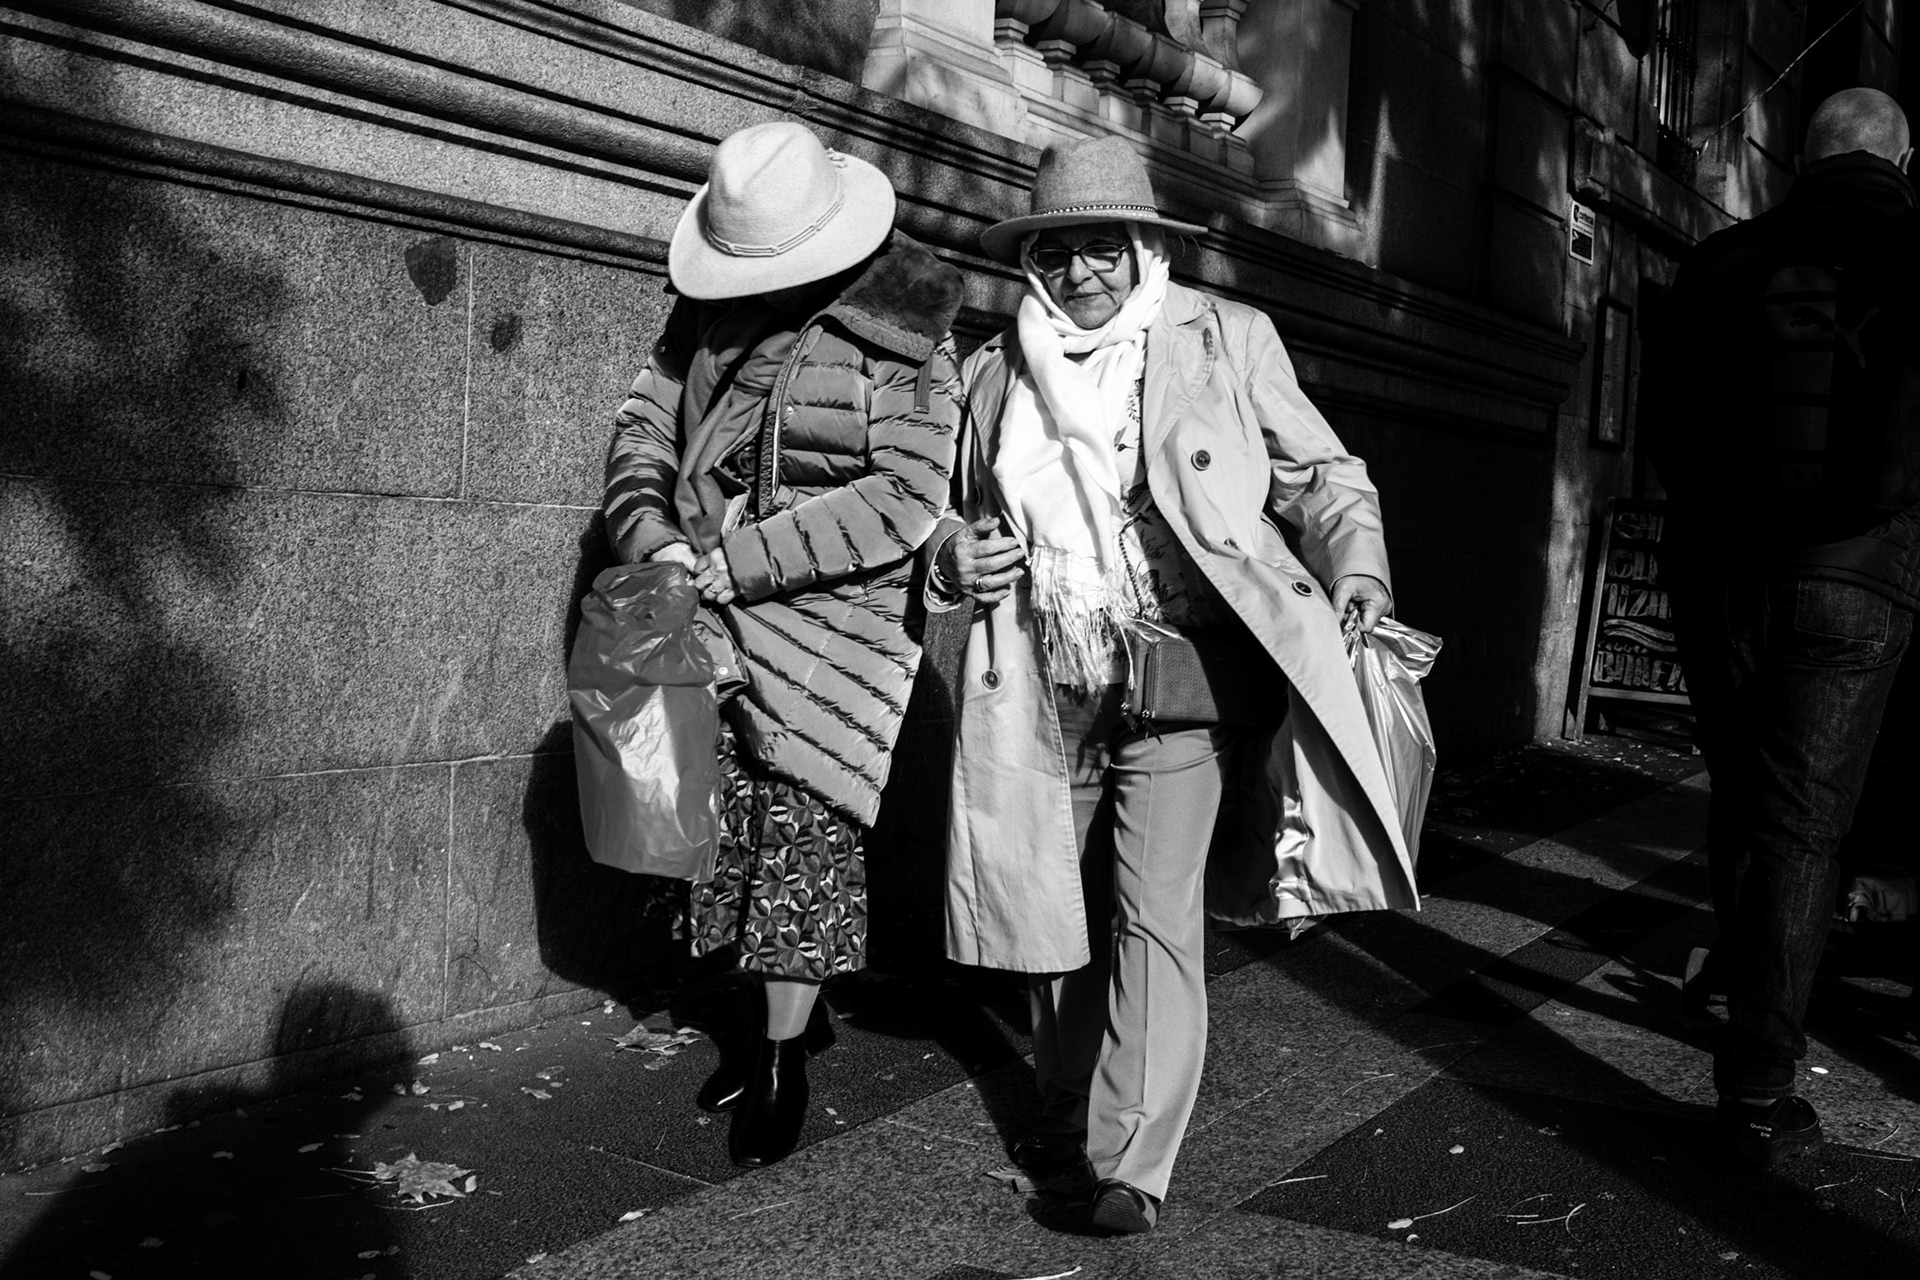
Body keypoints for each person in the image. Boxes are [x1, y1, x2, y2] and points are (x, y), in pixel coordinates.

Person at [931, 135, 1417, 1232]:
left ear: (1145, 248)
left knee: (1153, 912)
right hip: (1040, 670)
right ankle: (1065, 1099)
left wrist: (1358, 564)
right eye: (1057, 254)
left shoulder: (1224, 337)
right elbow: (945, 507)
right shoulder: (993, 368)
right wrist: (952, 553)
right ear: (1032, 262)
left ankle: (1129, 1162)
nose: (1081, 274)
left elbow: (1322, 470)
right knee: (1048, 900)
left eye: (1103, 249)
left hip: (1180, 670)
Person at [603, 120, 963, 1167]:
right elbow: (643, 427)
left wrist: (746, 558)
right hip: (707, 612)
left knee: (806, 840)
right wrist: (656, 538)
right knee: (727, 834)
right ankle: (776, 1021)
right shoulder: (704, 315)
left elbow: (905, 495)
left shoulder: (906, 332)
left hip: (831, 631)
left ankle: (777, 1062)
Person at [1643, 87, 1920, 1168]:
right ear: (1905, 161)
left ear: (1803, 159)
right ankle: (1760, 1081)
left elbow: (1668, 425)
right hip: (1858, 572)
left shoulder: (1721, 261)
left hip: (1721, 569)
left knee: (1744, 794)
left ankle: (1744, 987)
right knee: (1806, 820)